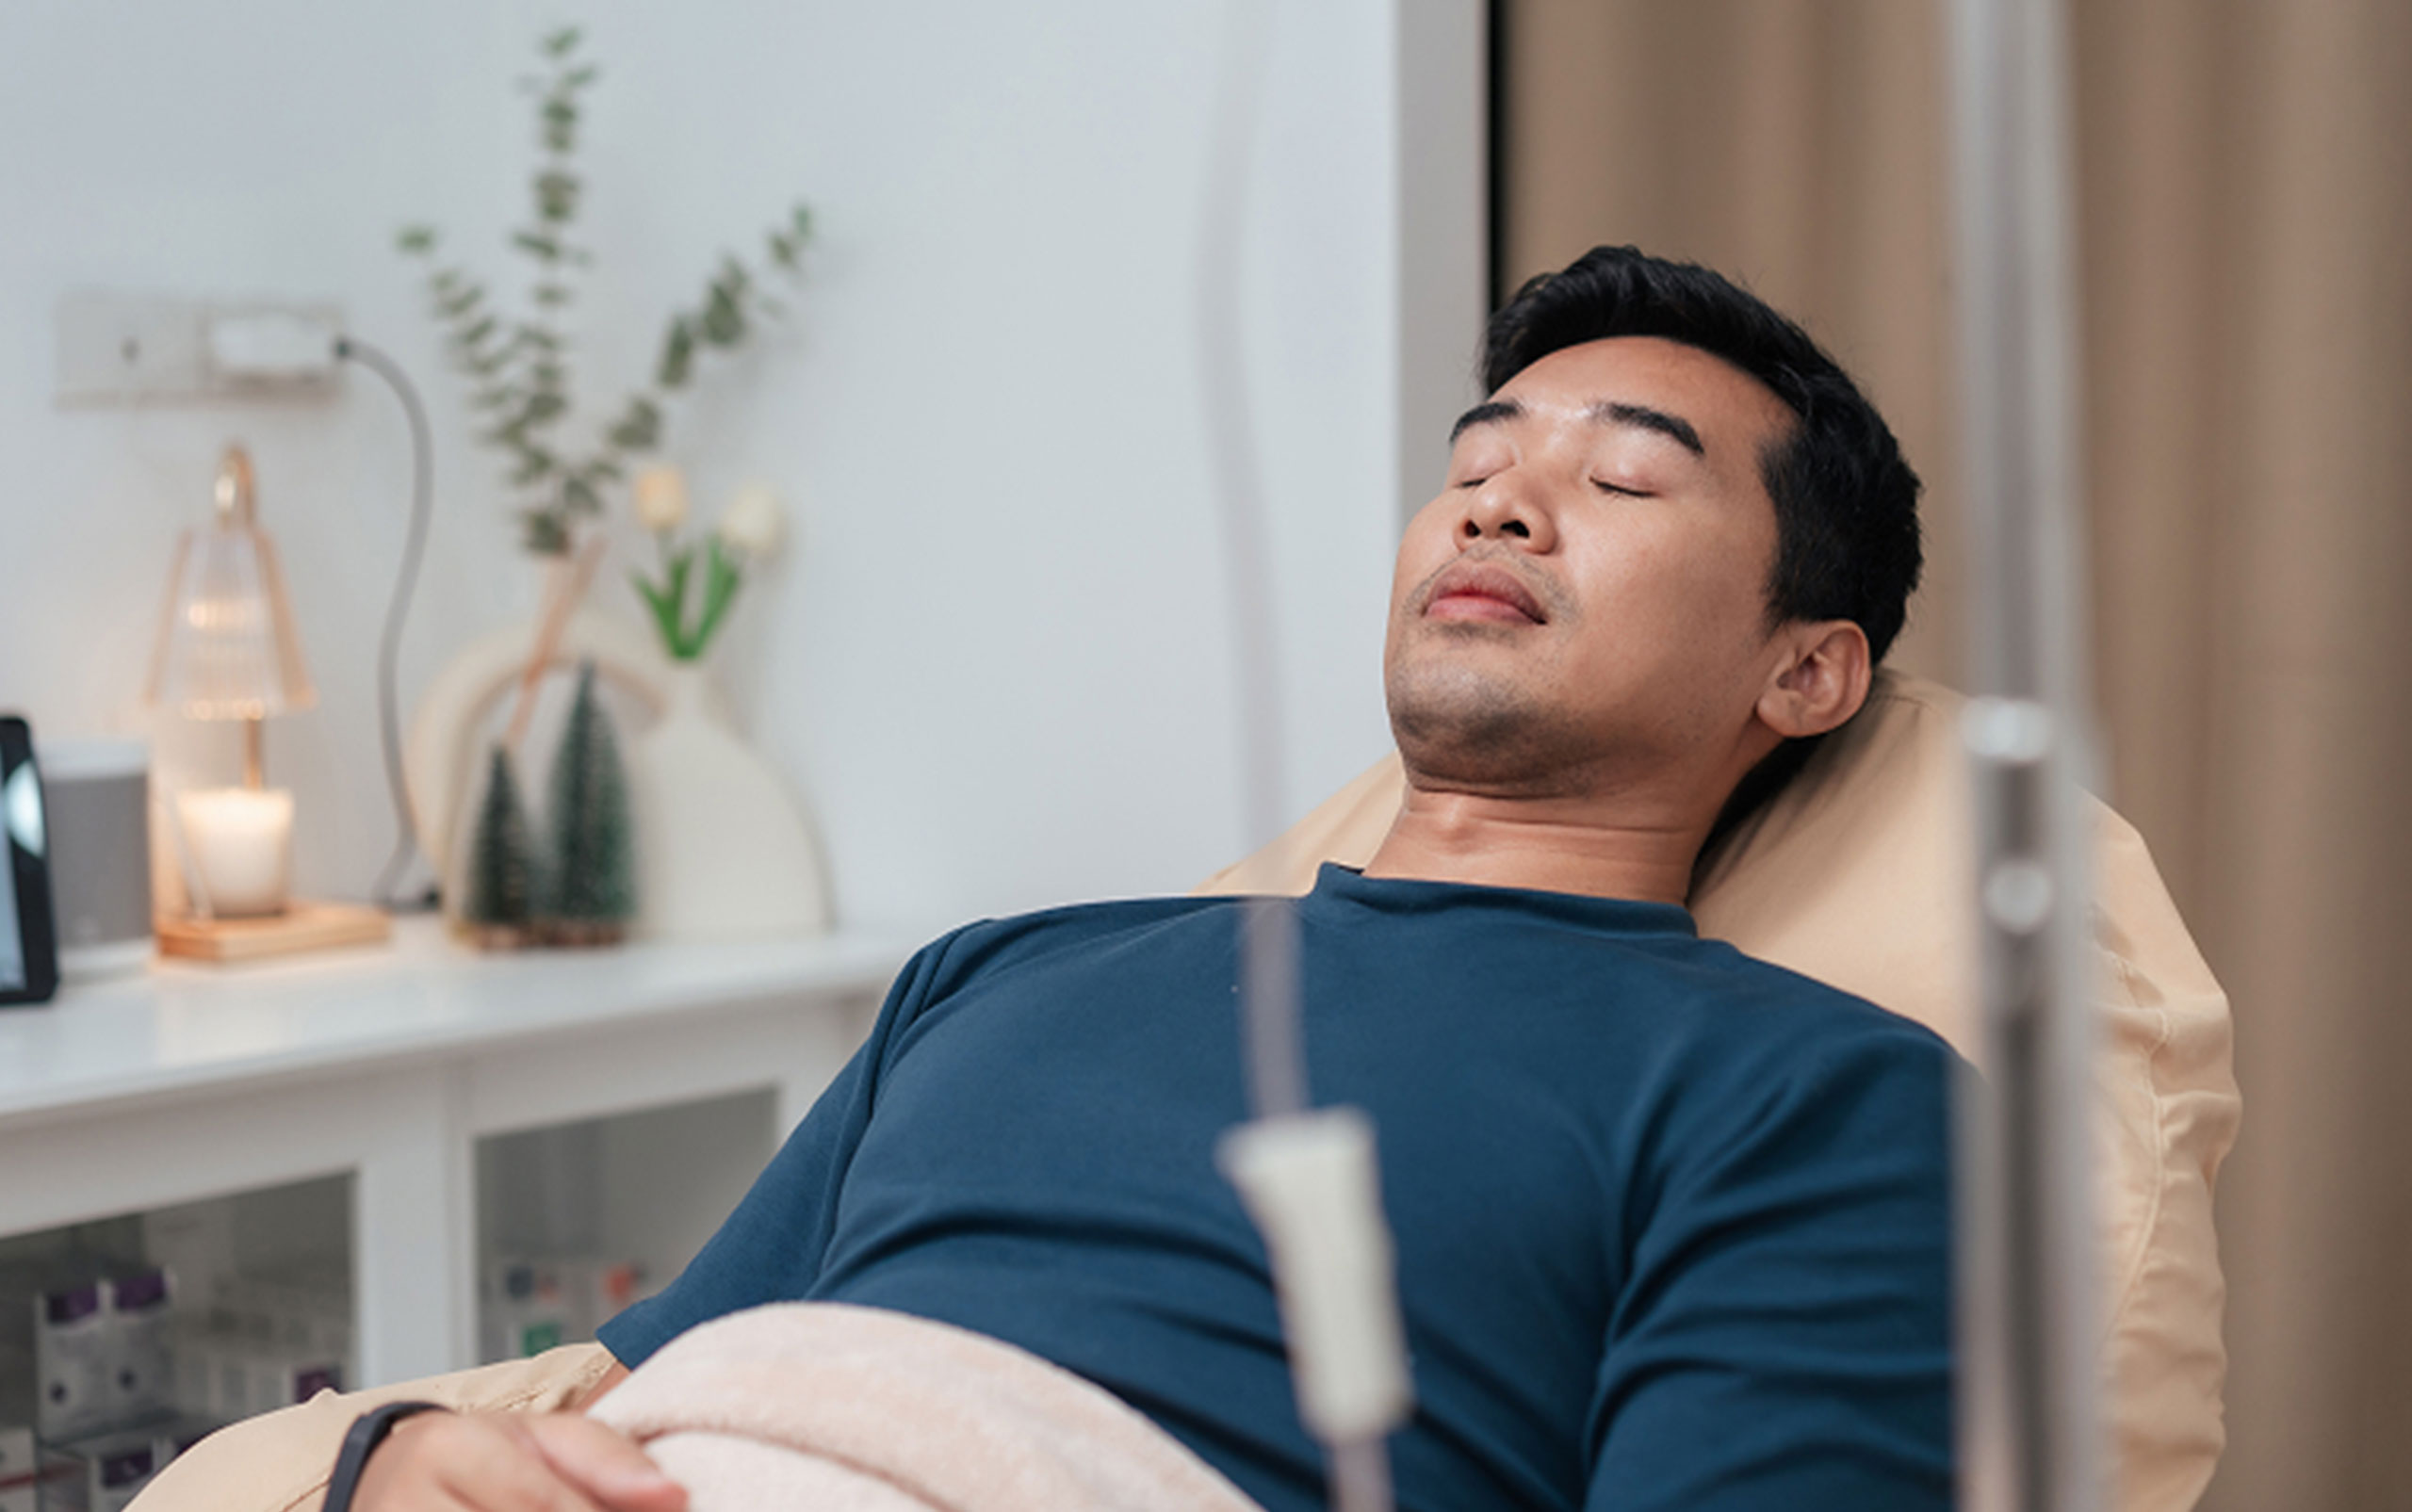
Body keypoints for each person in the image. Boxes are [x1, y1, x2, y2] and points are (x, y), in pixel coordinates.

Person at [350, 247, 1954, 1512]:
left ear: (1806, 670)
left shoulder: (1816, 1091)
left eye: (1622, 481)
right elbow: (614, 1404)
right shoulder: (1001, 973)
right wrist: (400, 1463)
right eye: (1476, 462)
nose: (1497, 505)